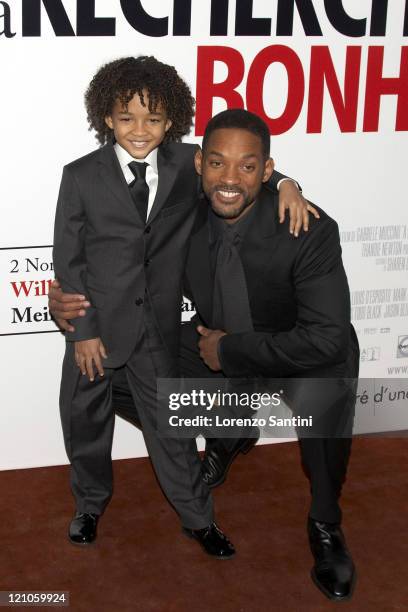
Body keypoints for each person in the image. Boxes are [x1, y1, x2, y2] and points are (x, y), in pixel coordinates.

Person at [51, 108, 359, 600]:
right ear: (199, 167)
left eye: (249, 168)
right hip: (221, 345)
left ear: (266, 168)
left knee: (325, 403)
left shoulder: (308, 228)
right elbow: (116, 258)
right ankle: (232, 429)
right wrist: (66, 299)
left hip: (303, 357)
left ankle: (326, 523)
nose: (229, 180)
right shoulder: (183, 205)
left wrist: (289, 184)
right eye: (217, 165)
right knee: (123, 375)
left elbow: (327, 341)